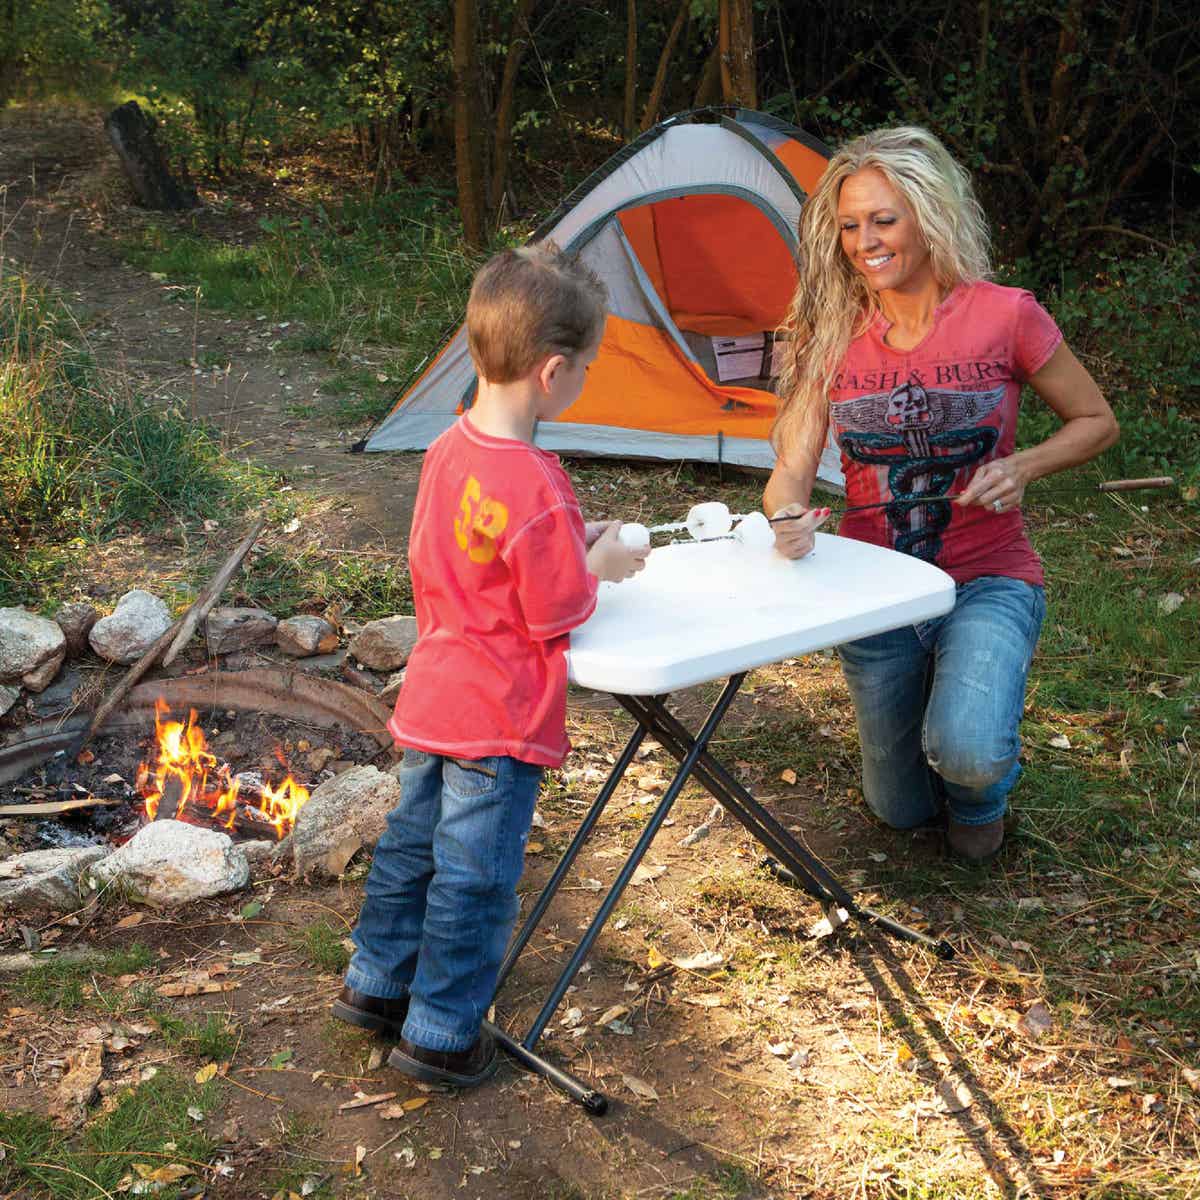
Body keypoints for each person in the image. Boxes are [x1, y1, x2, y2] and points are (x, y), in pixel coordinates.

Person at [333, 243, 649, 1087]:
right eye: (586, 365)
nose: (584, 377)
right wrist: (600, 563)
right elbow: (557, 610)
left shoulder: (448, 447)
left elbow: (469, 553)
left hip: (435, 695)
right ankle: (440, 1032)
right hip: (498, 719)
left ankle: (375, 984)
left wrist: (569, 542)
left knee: (410, 849)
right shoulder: (538, 483)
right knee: (473, 879)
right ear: (552, 372)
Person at [765, 126, 1118, 862]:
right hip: (876, 588)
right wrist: (786, 515)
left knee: (966, 754)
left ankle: (980, 782)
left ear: (929, 216)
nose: (866, 242)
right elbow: (791, 467)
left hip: (988, 576)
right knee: (898, 810)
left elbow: (1096, 421)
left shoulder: (1006, 315)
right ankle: (952, 717)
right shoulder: (830, 332)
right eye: (850, 225)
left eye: (883, 220)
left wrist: (1023, 467)